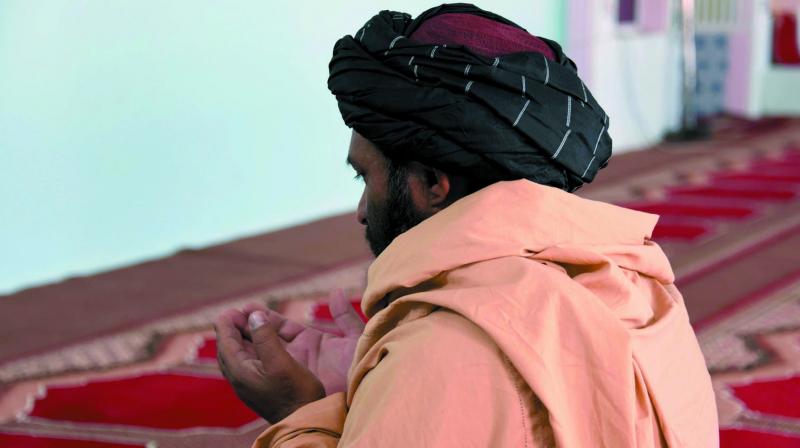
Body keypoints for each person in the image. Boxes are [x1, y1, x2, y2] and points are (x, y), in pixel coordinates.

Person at [214, 4, 719, 447]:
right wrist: (379, 378)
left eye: (365, 177)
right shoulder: (644, 285)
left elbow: (464, 374)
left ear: (433, 183)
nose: (362, 210)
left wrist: (299, 413)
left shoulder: (443, 353)